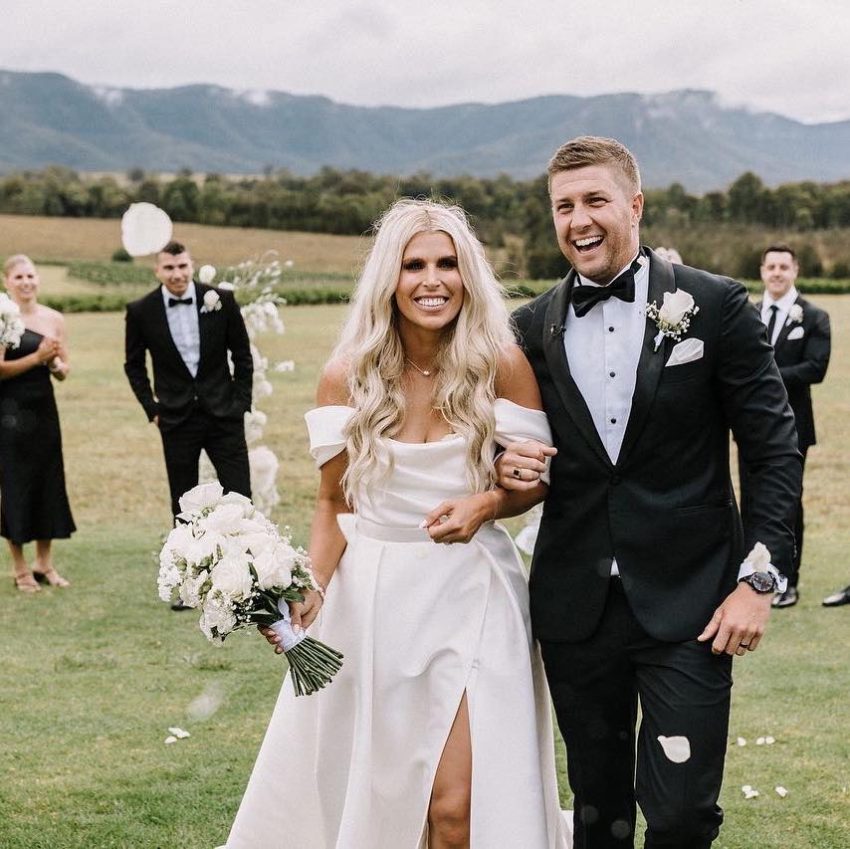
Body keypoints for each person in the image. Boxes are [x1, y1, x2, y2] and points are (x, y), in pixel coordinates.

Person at [223, 199, 572, 849]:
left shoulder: (501, 362)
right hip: (373, 599)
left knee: (455, 809)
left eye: (447, 264)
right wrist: (312, 586)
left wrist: (489, 502)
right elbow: (334, 503)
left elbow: (536, 479)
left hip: (475, 591)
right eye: (414, 265)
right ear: (390, 277)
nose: (432, 280)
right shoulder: (346, 376)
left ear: (467, 275)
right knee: (386, 798)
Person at [498, 137, 801, 849]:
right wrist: (502, 467)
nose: (579, 220)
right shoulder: (528, 327)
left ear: (634, 204)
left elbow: (772, 451)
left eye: (595, 200)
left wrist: (758, 579)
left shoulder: (715, 304)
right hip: (576, 610)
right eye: (563, 206)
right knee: (597, 812)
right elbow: (503, 445)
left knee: (681, 814)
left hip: (692, 603)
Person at [124, 240, 253, 537]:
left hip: (224, 414)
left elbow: (242, 357)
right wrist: (152, 409)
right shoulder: (142, 311)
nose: (177, 274)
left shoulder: (221, 300)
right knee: (183, 505)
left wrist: (240, 402)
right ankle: (187, 572)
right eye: (169, 268)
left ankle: (248, 564)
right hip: (175, 418)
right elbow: (133, 365)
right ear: (158, 270)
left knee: (241, 498)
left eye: (182, 266)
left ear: (191, 266)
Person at [739, 245, 831, 608]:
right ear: (762, 271)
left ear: (795, 270)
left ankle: (787, 580)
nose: (776, 273)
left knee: (787, 503)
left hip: (793, 428)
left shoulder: (814, 316)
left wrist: (764, 377)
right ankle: (749, 574)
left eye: (783, 266)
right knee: (749, 501)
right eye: (770, 266)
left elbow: (816, 368)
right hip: (748, 427)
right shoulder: (747, 314)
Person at [0, 255, 75, 592]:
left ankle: (44, 563)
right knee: (15, 484)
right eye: (19, 276)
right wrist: (37, 358)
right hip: (10, 413)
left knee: (47, 481)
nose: (26, 282)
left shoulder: (53, 318)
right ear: (7, 282)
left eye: (31, 275)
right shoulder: (2, 316)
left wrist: (56, 365)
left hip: (44, 410)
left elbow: (63, 370)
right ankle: (19, 569)